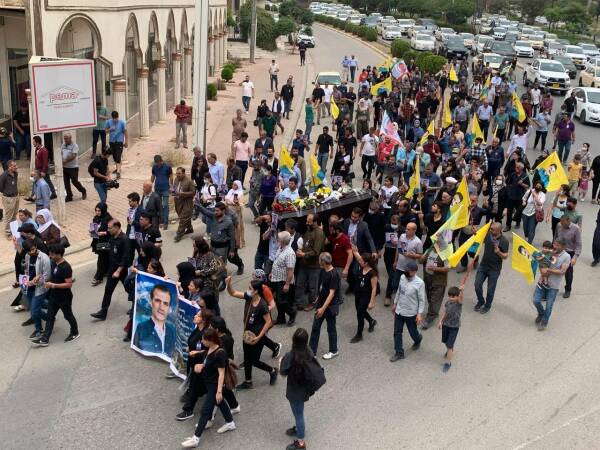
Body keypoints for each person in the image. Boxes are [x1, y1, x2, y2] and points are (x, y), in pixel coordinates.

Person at [180, 328, 237, 448]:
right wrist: (197, 354)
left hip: (214, 385)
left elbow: (221, 373)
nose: (202, 341)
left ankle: (196, 438)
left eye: (203, 340)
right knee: (220, 402)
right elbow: (207, 355)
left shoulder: (220, 353)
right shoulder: (211, 348)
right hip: (209, 383)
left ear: (211, 340)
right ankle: (230, 422)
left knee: (205, 411)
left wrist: (219, 391)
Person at [226, 277, 278, 390]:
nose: (248, 290)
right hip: (247, 335)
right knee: (247, 358)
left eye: (250, 288)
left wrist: (259, 337)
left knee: (254, 360)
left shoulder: (262, 305)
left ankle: (272, 370)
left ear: (256, 291)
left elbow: (268, 322)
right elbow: (233, 293)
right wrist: (228, 284)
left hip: (257, 337)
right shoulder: (249, 297)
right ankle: (248, 382)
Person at [280, 328, 322, 450]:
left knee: (298, 415)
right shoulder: (308, 351)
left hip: (294, 391)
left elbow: (283, 373)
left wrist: (280, 362)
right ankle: (299, 429)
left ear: (294, 340)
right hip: (304, 389)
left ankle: (301, 443)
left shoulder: (290, 355)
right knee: (299, 413)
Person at [32, 244, 79, 347]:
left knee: (68, 315)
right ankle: (45, 339)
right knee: (50, 316)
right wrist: (39, 277)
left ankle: (75, 332)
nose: (50, 256)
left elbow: (69, 284)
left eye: (52, 254)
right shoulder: (53, 263)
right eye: (50, 254)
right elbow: (50, 275)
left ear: (59, 254)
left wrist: (53, 285)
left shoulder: (66, 267)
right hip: (54, 296)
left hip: (64, 297)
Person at [91, 219, 130, 320]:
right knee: (108, 290)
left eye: (110, 228)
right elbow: (110, 248)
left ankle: (136, 306)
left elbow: (125, 257)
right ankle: (103, 312)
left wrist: (118, 271)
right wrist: (99, 245)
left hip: (122, 270)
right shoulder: (112, 236)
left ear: (116, 227)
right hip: (112, 269)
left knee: (129, 289)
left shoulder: (125, 239)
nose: (108, 230)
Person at [532, 238, 572, 330]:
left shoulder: (566, 257)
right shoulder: (549, 251)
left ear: (563, 247)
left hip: (553, 285)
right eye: (554, 244)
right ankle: (541, 313)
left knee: (549, 305)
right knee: (536, 300)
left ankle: (544, 322)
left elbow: (562, 271)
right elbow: (540, 260)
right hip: (542, 281)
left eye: (557, 245)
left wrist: (549, 270)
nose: (554, 246)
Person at [389, 260, 425, 362]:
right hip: (399, 310)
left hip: (410, 313)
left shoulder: (420, 283)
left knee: (413, 332)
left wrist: (419, 314)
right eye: (406, 270)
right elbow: (399, 291)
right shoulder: (402, 277)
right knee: (397, 332)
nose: (406, 272)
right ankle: (399, 352)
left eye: (408, 270)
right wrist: (395, 303)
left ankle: (418, 339)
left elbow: (422, 300)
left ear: (414, 271)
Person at [309, 252, 341, 360]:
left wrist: (323, 308)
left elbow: (331, 294)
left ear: (323, 262)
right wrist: (318, 298)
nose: (318, 261)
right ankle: (312, 352)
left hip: (330, 307)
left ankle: (334, 350)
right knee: (315, 328)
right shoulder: (322, 271)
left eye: (319, 260)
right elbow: (322, 287)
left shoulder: (334, 274)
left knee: (331, 329)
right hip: (321, 304)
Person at [473, 222, 509, 313]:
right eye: (490, 228)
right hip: (483, 266)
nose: (490, 230)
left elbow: (505, 256)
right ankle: (481, 301)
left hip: (494, 270)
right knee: (477, 285)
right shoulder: (488, 235)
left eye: (492, 229)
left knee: (490, 290)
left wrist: (498, 252)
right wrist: (475, 233)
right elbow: (480, 238)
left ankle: (487, 306)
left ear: (499, 230)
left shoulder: (504, 241)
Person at [132, 284, 176, 354]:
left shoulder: (171, 332)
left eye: (165, 303)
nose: (161, 307)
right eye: (157, 301)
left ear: (169, 309)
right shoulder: (141, 328)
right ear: (150, 302)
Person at [21, 239, 51, 340]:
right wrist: (24, 281)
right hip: (28, 287)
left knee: (34, 311)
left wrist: (34, 282)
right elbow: (27, 270)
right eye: (29, 250)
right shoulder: (27, 256)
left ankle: (39, 330)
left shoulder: (44, 258)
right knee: (33, 309)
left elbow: (47, 276)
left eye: (33, 249)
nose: (32, 252)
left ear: (36, 246)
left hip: (40, 288)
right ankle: (50, 318)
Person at [349, 252, 378, 343]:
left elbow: (374, 288)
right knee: (360, 311)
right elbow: (358, 256)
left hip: (366, 297)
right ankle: (371, 321)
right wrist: (354, 250)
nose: (359, 261)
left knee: (359, 314)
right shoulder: (362, 267)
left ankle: (359, 334)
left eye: (361, 261)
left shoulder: (372, 273)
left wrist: (371, 302)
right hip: (358, 294)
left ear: (366, 263)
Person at [271, 231, 297, 326]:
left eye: (278, 239)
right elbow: (276, 261)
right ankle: (281, 318)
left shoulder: (290, 253)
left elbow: (291, 270)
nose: (277, 240)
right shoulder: (281, 248)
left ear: (283, 241)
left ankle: (292, 313)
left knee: (281, 301)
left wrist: (287, 284)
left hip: (284, 280)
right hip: (276, 278)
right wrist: (272, 272)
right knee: (277, 300)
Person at [420, 245, 449, 330]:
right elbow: (420, 261)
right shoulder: (429, 249)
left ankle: (430, 318)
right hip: (428, 278)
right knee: (429, 297)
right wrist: (422, 258)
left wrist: (435, 269)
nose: (436, 242)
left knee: (434, 299)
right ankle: (434, 312)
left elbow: (447, 269)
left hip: (439, 281)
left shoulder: (445, 253)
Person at [437, 285, 463, 372]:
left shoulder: (459, 304)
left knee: (449, 345)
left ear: (457, 296)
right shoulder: (448, 303)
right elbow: (446, 312)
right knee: (445, 341)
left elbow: (461, 298)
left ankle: (448, 363)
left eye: (453, 296)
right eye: (450, 296)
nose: (451, 298)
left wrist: (461, 291)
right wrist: (441, 321)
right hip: (446, 325)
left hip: (454, 327)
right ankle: (450, 350)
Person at [554, 215, 581, 299]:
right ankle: (552, 288)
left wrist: (575, 258)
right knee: (553, 268)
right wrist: (553, 248)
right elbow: (555, 237)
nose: (561, 225)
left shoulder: (576, 229)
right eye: (561, 223)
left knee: (568, 272)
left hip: (569, 253)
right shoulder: (559, 225)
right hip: (558, 250)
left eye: (563, 223)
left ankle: (568, 289)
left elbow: (579, 245)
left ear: (568, 221)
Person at [60, 132, 87, 202]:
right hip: (65, 167)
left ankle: (83, 190)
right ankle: (69, 196)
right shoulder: (63, 145)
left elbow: (73, 156)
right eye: (64, 139)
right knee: (66, 182)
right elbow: (61, 153)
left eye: (66, 139)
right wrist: (61, 160)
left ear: (70, 138)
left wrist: (65, 161)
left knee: (74, 181)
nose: (65, 140)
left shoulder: (75, 146)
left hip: (73, 167)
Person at [90, 202, 112, 286]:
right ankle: (106, 271)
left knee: (101, 259)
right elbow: (94, 228)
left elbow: (112, 231)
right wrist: (92, 231)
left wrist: (104, 233)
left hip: (105, 242)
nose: (97, 212)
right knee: (105, 258)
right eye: (96, 210)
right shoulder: (96, 218)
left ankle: (98, 277)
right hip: (98, 241)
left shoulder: (108, 219)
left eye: (99, 210)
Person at [151, 155, 173, 231]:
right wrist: (150, 184)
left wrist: (171, 186)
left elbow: (171, 176)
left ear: (161, 160)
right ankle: (161, 221)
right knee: (158, 206)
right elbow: (153, 176)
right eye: (156, 163)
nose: (158, 164)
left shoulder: (168, 167)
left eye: (159, 162)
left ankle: (166, 222)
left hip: (165, 189)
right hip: (157, 189)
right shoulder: (154, 167)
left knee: (165, 205)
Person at [173, 167, 195, 242]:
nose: (177, 175)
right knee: (182, 216)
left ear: (183, 173)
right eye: (177, 173)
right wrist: (172, 190)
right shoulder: (176, 179)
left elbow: (193, 192)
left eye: (179, 173)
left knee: (183, 218)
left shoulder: (189, 181)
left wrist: (183, 193)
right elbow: (174, 188)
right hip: (178, 202)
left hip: (187, 202)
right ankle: (190, 228)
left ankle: (179, 234)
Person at [105, 111, 128, 179]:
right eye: (114, 118)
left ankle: (118, 172)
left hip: (119, 142)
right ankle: (118, 168)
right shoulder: (108, 122)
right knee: (115, 156)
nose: (115, 120)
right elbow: (105, 131)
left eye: (116, 118)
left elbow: (125, 132)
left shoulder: (122, 123)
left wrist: (126, 142)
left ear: (118, 117)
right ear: (112, 117)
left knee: (118, 156)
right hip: (112, 142)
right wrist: (110, 129)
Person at [0, 160, 19, 235]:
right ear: (9, 167)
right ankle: (7, 231)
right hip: (8, 198)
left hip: (16, 196)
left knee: (14, 213)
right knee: (9, 215)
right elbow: (0, 187)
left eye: (16, 165)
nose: (16, 167)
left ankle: (14, 230)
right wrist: (7, 192)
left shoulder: (16, 173)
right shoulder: (4, 175)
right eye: (14, 166)